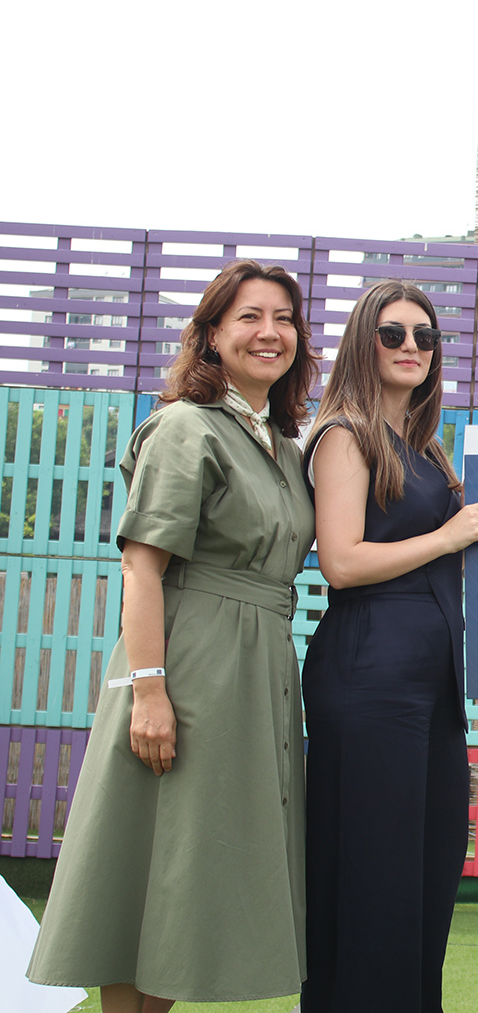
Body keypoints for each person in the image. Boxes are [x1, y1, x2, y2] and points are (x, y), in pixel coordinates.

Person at [27, 260, 319, 1011]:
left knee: (192, 874)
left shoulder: (284, 447)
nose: (270, 332)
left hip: (256, 669)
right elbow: (142, 567)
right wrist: (148, 690)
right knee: (146, 859)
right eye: (249, 316)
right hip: (187, 664)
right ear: (211, 335)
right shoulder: (186, 427)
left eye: (284, 318)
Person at [300, 280, 478, 1013]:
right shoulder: (344, 434)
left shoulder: (423, 447)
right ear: (364, 342)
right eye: (393, 334)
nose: (412, 347)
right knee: (376, 875)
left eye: (425, 336)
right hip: (370, 673)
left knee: (426, 869)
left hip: (431, 678)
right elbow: (341, 562)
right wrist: (450, 535)